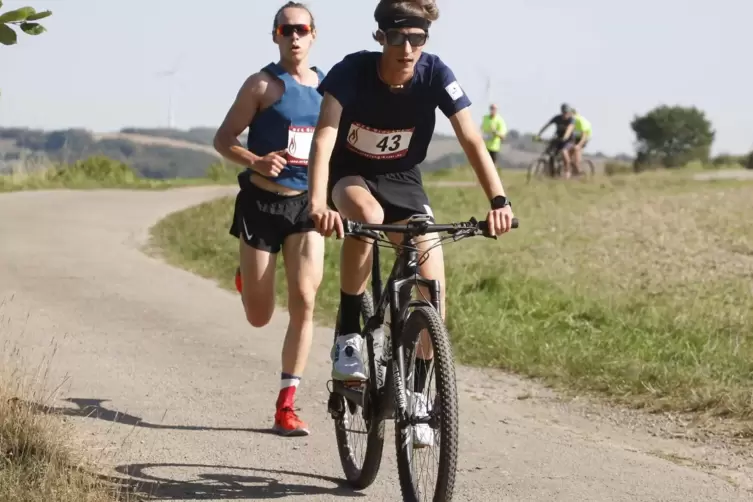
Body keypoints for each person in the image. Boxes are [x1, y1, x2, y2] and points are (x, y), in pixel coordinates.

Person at [306, 0, 515, 446]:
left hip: (403, 179)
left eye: (417, 38)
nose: (408, 48)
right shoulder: (351, 72)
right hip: (350, 174)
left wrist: (499, 200)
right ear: (380, 37)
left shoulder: (436, 73)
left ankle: (418, 398)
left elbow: (471, 139)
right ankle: (348, 335)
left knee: (432, 291)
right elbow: (324, 139)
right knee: (368, 217)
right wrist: (317, 203)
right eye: (398, 37)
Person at [212, 1, 324, 437]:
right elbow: (223, 139)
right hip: (261, 205)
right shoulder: (260, 85)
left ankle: (286, 406)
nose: (294, 37)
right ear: (275, 35)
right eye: (285, 29)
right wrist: (256, 160)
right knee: (259, 315)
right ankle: (247, 277)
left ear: (314, 34)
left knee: (305, 298)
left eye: (301, 29)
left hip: (305, 207)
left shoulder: (330, 89)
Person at [534, 103, 576, 178]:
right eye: (563, 112)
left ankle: (567, 172)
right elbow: (546, 125)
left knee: (564, 152)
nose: (565, 114)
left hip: (569, 141)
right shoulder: (557, 118)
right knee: (551, 153)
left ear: (569, 112)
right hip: (558, 139)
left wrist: (565, 137)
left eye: (566, 112)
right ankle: (552, 173)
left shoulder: (571, 120)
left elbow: (570, 129)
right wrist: (539, 134)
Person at [570, 109, 592, 175]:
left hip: (583, 138)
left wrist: (579, 145)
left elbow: (584, 136)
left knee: (576, 151)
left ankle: (579, 171)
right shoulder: (571, 121)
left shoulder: (580, 121)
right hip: (575, 137)